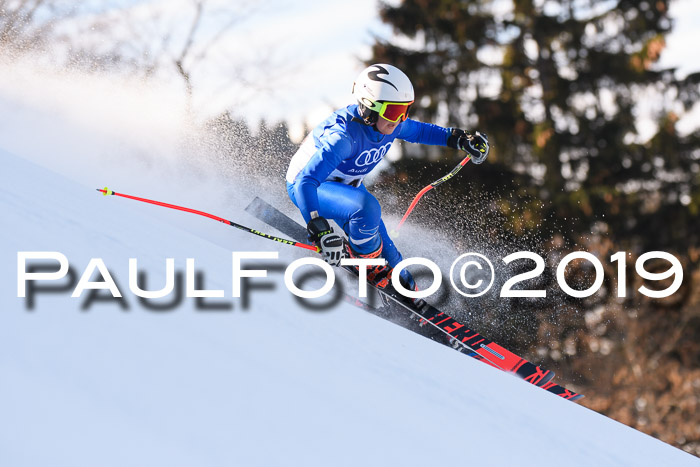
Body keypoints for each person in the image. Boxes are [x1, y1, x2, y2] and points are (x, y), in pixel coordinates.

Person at [286, 63, 489, 291]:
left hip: (345, 189)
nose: (399, 119)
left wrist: (460, 140)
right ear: (368, 109)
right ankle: (368, 264)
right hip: (310, 188)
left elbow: (421, 131)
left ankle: (407, 294)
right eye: (393, 111)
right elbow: (306, 182)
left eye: (405, 111)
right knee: (367, 209)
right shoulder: (343, 138)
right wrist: (319, 229)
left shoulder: (393, 125)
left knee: (394, 260)